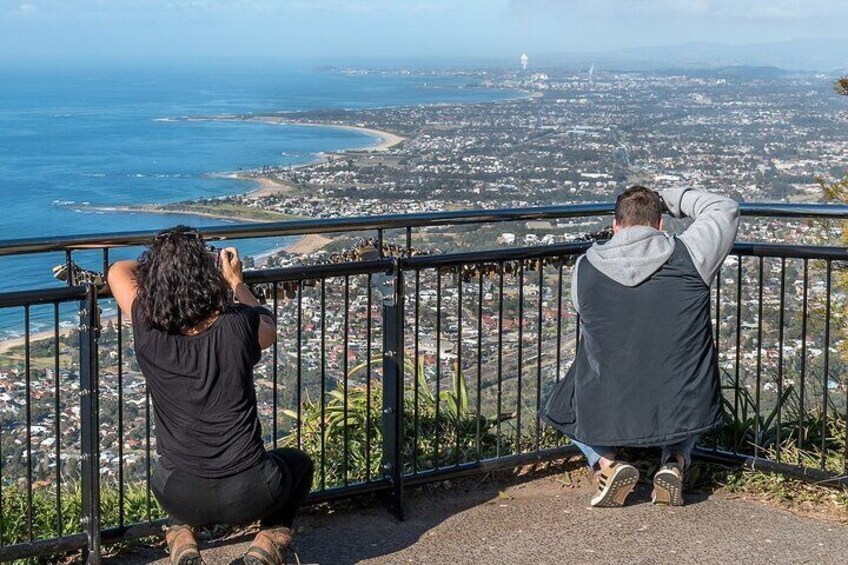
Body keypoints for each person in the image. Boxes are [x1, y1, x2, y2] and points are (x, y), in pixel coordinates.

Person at [108, 225, 314, 565]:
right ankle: (268, 540)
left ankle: (182, 534)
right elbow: (269, 327)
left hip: (177, 493)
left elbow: (118, 271)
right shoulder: (237, 325)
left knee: (176, 470)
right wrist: (235, 282)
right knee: (300, 464)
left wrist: (163, 266)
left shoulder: (146, 325)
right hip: (251, 491)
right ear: (207, 274)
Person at [543, 186, 739, 507]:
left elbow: (583, 311)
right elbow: (725, 208)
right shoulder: (692, 255)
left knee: (558, 401)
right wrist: (670, 197)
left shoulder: (585, 267)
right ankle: (674, 460)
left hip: (608, 396)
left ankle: (608, 464)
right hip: (682, 395)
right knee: (685, 377)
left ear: (615, 225)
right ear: (660, 225)